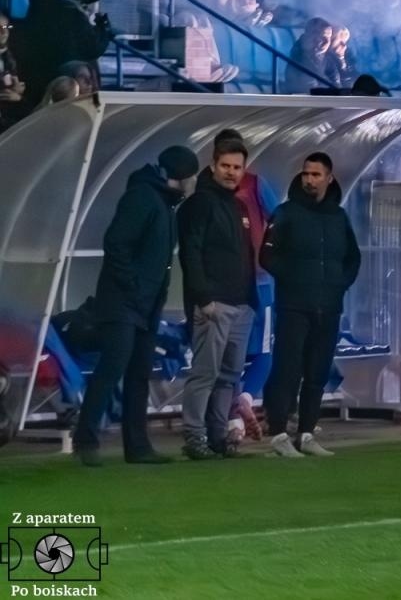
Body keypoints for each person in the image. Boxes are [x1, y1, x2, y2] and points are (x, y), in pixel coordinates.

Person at [73, 145, 199, 466]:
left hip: (145, 305)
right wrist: (133, 285)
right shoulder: (143, 198)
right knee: (112, 367)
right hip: (123, 302)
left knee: (139, 372)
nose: (193, 182)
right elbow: (116, 243)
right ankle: (86, 439)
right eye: (191, 175)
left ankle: (138, 446)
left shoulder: (163, 202)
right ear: (179, 176)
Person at [261, 152, 362, 456]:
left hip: (328, 307)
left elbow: (353, 257)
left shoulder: (338, 217)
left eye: (316, 175)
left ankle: (306, 433)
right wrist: (294, 279)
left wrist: (338, 284)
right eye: (306, 174)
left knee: (317, 372)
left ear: (329, 178)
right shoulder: (285, 213)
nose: (310, 179)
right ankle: (279, 433)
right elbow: (267, 256)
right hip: (293, 306)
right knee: (287, 371)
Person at [176, 135, 260, 461]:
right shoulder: (199, 204)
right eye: (225, 166)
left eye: (237, 167)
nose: (231, 172)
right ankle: (194, 436)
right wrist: (203, 297)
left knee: (228, 377)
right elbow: (191, 253)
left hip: (240, 305)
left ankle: (217, 435)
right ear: (213, 166)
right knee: (205, 374)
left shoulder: (237, 205)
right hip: (214, 304)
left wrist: (251, 301)